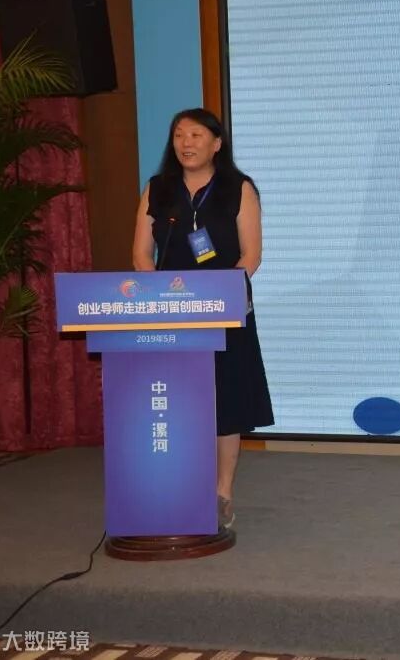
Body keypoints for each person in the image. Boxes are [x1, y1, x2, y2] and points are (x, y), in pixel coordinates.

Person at [132, 107, 274, 531]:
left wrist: (218, 294)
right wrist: (158, 293)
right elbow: (141, 254)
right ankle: (178, 487)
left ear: (216, 144)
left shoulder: (237, 188)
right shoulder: (159, 188)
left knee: (225, 403)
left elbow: (251, 255)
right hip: (170, 314)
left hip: (224, 311)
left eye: (196, 135)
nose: (186, 143)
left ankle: (222, 493)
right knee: (178, 400)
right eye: (179, 135)